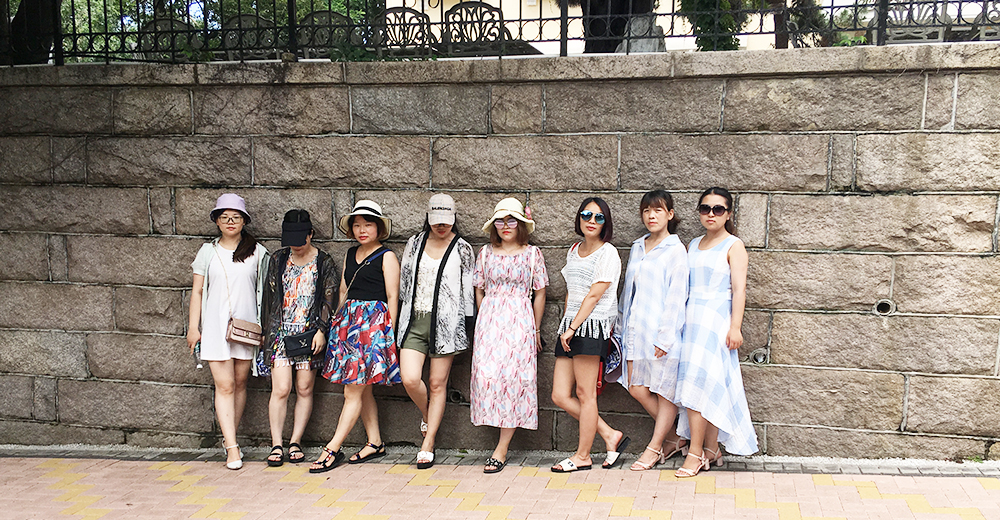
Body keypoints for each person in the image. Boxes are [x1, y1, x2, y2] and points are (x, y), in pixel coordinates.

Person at [310, 200, 402, 473]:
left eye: (368, 224)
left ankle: (332, 448)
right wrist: (336, 324)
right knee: (363, 387)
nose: (362, 230)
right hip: (349, 326)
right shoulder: (350, 254)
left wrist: (389, 334)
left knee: (353, 390)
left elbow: (392, 296)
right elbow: (343, 291)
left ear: (379, 228)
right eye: (357, 225)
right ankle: (375, 442)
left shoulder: (387, 256)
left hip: (374, 328)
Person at [674, 187, 758, 478]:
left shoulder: (734, 245)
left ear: (728, 213)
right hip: (691, 321)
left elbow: (739, 290)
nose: (711, 214)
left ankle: (696, 453)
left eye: (718, 209)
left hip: (716, 322)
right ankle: (710, 449)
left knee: (700, 384)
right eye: (705, 208)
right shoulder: (693, 244)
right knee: (700, 384)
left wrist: (735, 327)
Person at [187, 193, 269, 470]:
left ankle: (227, 437)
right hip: (215, 327)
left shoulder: (258, 252)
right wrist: (193, 328)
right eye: (224, 217)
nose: (230, 221)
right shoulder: (207, 252)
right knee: (225, 386)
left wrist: (265, 329)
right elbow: (197, 292)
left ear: (244, 221)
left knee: (241, 383)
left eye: (236, 217)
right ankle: (232, 448)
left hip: (246, 329)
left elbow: (266, 293)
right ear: (217, 222)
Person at [550, 197, 629, 473]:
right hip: (569, 329)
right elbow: (571, 290)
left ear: (606, 223)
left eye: (598, 217)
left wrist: (574, 327)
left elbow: (595, 295)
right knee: (560, 395)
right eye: (586, 215)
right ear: (579, 219)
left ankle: (583, 455)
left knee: (585, 394)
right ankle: (609, 434)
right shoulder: (574, 250)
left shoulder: (608, 253)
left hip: (591, 328)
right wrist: (566, 326)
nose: (592, 221)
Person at [398, 194, 476, 470]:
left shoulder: (463, 248)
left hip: (447, 325)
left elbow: (468, 291)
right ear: (428, 218)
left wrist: (468, 326)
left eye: (445, 221)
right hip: (414, 321)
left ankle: (428, 442)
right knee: (410, 378)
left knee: (437, 383)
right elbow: (404, 283)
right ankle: (427, 414)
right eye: (436, 221)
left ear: (453, 218)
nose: (441, 226)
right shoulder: (415, 243)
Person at [471, 197, 548, 474]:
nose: (505, 226)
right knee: (487, 377)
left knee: (514, 380)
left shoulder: (532, 254)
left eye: (511, 220)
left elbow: (540, 292)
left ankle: (501, 449)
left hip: (520, 322)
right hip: (490, 322)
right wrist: (485, 317)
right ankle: (497, 433)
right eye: (500, 221)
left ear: (521, 224)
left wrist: (536, 329)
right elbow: (479, 287)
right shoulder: (485, 253)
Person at [615, 190, 689, 471]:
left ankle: (655, 447)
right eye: (646, 210)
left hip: (661, 331)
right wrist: (620, 326)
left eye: (658, 210)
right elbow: (628, 292)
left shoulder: (675, 250)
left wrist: (666, 335)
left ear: (670, 214)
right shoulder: (638, 246)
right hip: (636, 329)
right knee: (636, 387)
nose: (651, 215)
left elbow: (677, 295)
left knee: (664, 391)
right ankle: (676, 437)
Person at [261, 210, 337, 467]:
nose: (296, 244)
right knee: (281, 388)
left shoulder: (323, 261)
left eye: (300, 239)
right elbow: (269, 299)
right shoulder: (279, 259)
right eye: (290, 239)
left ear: (310, 234)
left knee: (304, 388)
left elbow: (329, 298)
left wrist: (322, 330)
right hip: (281, 333)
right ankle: (276, 443)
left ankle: (295, 441)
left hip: (309, 334)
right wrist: (266, 333)